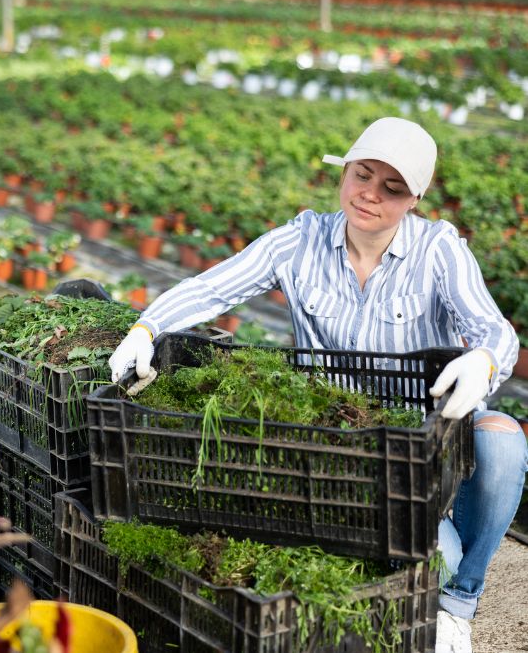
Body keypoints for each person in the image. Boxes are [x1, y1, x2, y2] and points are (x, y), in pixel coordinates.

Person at [107, 117, 526, 653]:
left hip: (429, 439)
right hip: (343, 438)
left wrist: (486, 360)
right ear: (344, 173)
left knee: (504, 438)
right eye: (362, 176)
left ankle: (458, 605)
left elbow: (493, 329)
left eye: (391, 189)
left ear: (414, 199)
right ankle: (429, 553)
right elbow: (213, 287)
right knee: (435, 556)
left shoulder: (438, 250)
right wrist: (148, 327)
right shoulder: (300, 241)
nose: (370, 195)